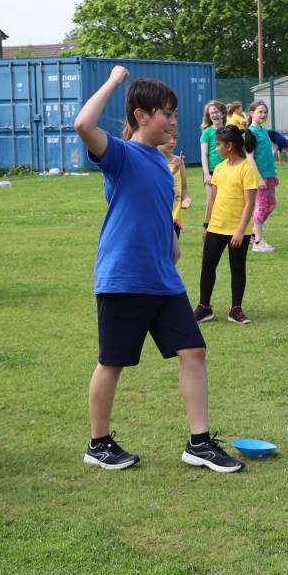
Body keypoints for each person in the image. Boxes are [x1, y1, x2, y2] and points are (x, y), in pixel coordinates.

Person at [74, 65, 244, 473]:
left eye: (173, 113)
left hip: (163, 280)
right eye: (166, 113)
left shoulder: (160, 161)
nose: (172, 121)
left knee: (194, 350)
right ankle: (98, 444)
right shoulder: (121, 154)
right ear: (141, 115)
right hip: (123, 279)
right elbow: (83, 124)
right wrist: (113, 81)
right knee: (113, 361)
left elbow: (156, 211)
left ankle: (199, 443)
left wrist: (171, 242)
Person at [195, 126, 259, 324]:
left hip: (238, 231)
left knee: (237, 268)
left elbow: (249, 204)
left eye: (218, 145)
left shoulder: (247, 169)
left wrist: (240, 231)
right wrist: (207, 225)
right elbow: (212, 199)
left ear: (229, 146)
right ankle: (204, 308)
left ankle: (235, 309)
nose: (216, 148)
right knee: (208, 265)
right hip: (216, 227)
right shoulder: (219, 168)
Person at [245, 101, 278, 253]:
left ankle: (252, 234)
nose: (263, 115)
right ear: (252, 113)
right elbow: (250, 157)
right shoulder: (250, 132)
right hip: (259, 177)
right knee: (261, 206)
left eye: (265, 112)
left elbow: (267, 155)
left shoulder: (264, 130)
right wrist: (258, 178)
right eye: (260, 112)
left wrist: (273, 174)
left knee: (271, 205)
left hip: (269, 176)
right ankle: (258, 242)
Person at [159, 124, 191, 238]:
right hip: (157, 216)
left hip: (174, 217)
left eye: (175, 137)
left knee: (172, 248)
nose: (172, 141)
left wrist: (187, 199)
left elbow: (184, 189)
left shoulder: (179, 161)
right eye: (168, 137)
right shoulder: (152, 160)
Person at [199, 100, 226, 210]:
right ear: (209, 116)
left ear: (223, 113)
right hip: (211, 171)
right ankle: (208, 222)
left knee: (225, 202)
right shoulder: (207, 132)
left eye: (217, 112)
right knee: (211, 203)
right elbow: (204, 155)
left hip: (227, 171)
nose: (215, 115)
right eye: (212, 113)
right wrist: (206, 174)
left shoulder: (228, 130)